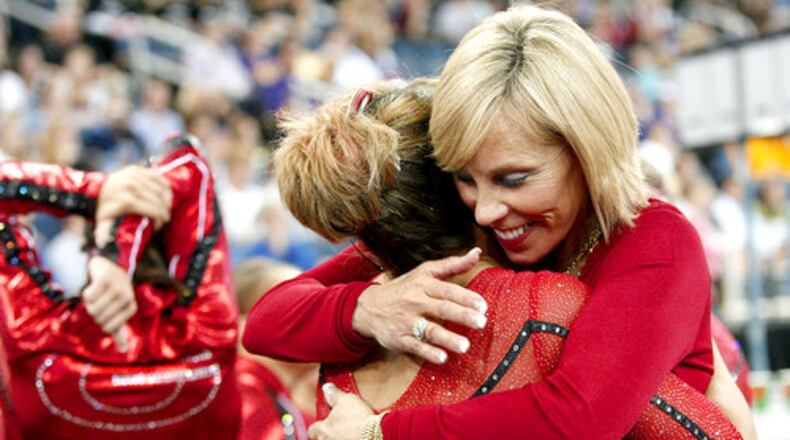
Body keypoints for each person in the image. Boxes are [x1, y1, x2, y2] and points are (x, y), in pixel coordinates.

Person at [243, 6, 755, 439]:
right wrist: (367, 307)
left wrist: (381, 430)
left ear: (587, 150)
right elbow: (267, 322)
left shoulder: (654, 240)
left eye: (514, 179)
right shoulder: (471, 229)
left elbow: (579, 416)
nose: (485, 209)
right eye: (465, 178)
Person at [0, 135, 304, 439]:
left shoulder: (39, 335)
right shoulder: (205, 329)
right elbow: (190, 160)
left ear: (89, 243)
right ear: (177, 240)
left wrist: (96, 196)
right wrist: (121, 246)